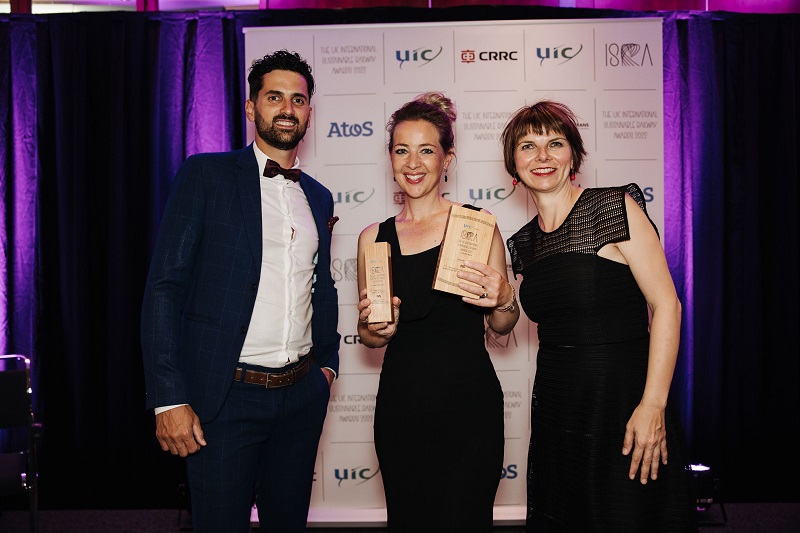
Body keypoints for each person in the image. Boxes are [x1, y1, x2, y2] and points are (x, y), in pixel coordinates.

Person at [141, 50, 339, 533]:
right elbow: (165, 288)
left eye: (298, 100)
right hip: (225, 398)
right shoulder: (206, 176)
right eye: (274, 97)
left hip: (300, 398)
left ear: (309, 112)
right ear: (252, 108)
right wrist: (168, 397)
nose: (287, 108)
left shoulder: (317, 195)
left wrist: (327, 368)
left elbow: (321, 286)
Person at [501, 100, 695, 532]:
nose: (543, 156)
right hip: (558, 407)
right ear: (514, 164)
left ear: (574, 155)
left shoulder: (613, 208)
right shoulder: (523, 244)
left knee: (629, 516)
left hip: (624, 401)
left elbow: (668, 305)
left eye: (555, 143)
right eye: (528, 146)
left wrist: (653, 404)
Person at [355, 92, 520, 532]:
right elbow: (370, 334)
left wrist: (504, 297)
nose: (413, 163)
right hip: (402, 408)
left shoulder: (477, 225)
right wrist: (375, 328)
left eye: (426, 150)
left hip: (470, 409)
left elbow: (502, 324)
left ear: (448, 158)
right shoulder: (373, 238)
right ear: (390, 158)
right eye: (401, 150)